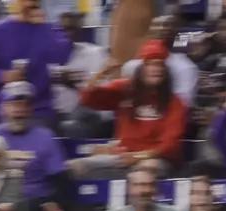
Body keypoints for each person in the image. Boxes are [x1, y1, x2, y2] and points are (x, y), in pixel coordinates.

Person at [75, 42, 188, 174]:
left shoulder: (174, 102)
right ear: (140, 69)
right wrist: (102, 73)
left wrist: (137, 156)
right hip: (122, 155)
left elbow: (170, 146)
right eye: (150, 64)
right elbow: (88, 98)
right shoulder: (125, 90)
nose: (156, 69)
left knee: (145, 170)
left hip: (154, 158)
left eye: (160, 65)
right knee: (75, 166)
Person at [0, 0, 72, 124]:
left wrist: (48, 27)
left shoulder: (49, 29)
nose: (29, 4)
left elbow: (63, 57)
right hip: (4, 113)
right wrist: (2, 75)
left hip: (40, 110)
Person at [0, 81, 70, 211]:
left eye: (25, 105)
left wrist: (53, 202)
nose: (20, 110)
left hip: (35, 205)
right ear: (2, 108)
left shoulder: (46, 136)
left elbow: (60, 180)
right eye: (14, 104)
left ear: (31, 110)